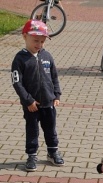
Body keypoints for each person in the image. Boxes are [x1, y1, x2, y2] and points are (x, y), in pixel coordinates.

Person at [11, 19, 64, 172]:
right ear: (24, 36)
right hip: (32, 105)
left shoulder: (47, 56)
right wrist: (28, 100)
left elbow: (54, 77)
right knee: (32, 130)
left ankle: (53, 151)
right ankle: (31, 155)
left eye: (42, 41)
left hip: (48, 102)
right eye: (35, 40)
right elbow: (17, 82)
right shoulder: (20, 59)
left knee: (50, 128)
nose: (39, 44)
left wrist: (56, 95)